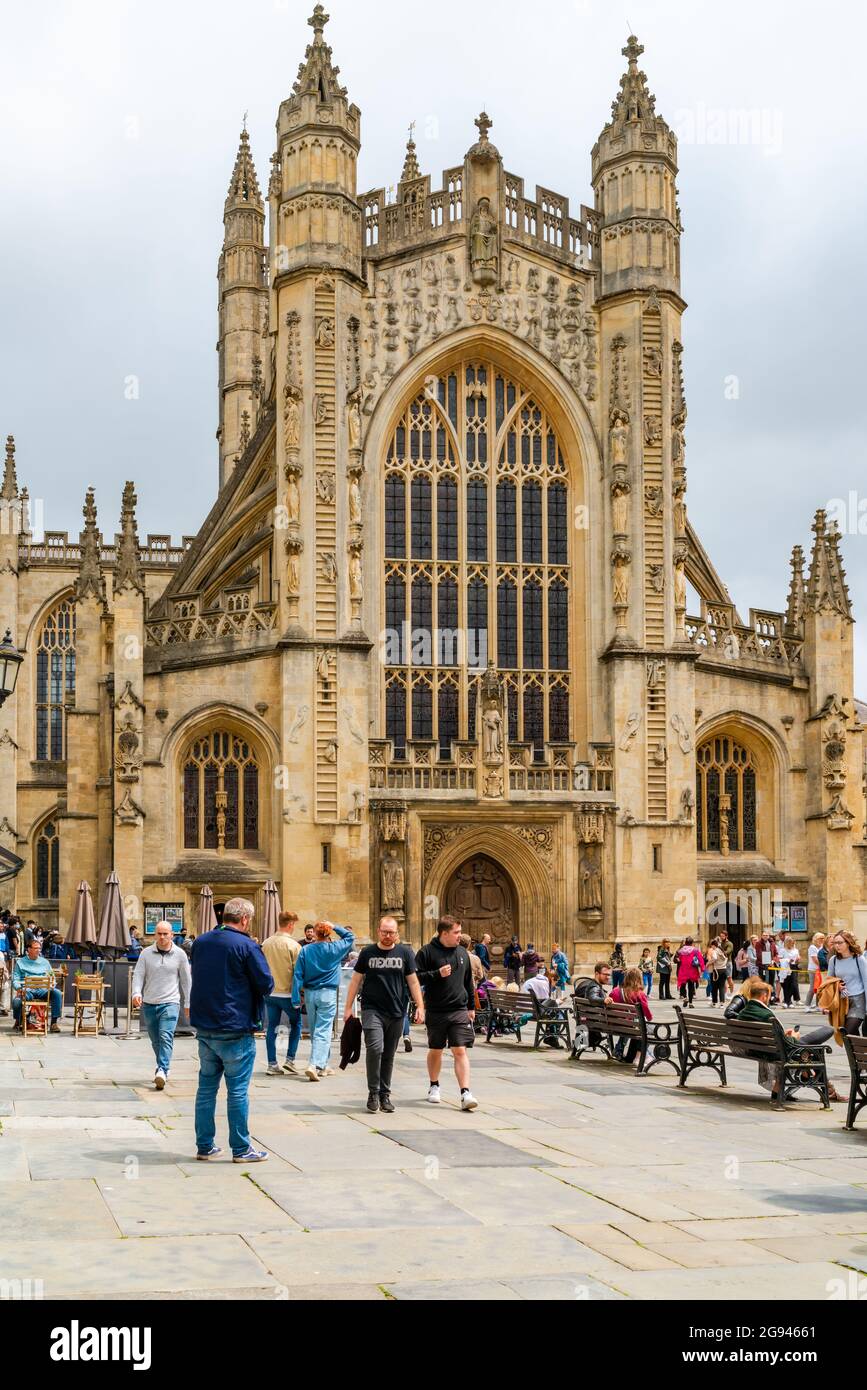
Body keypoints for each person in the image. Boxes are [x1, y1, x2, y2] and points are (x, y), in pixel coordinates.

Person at [189, 896, 273, 1163]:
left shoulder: (201, 942)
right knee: (237, 1091)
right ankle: (241, 1149)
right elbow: (266, 984)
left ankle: (204, 1145)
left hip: (206, 1026)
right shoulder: (247, 945)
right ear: (245, 919)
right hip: (235, 1026)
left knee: (206, 1088)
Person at [343, 915, 424, 1113]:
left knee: (388, 1054)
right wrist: (348, 1008)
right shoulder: (368, 953)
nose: (388, 936)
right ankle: (373, 1092)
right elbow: (355, 981)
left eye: (392, 932)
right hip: (372, 1010)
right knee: (375, 1048)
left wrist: (420, 1006)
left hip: (397, 1011)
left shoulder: (405, 953)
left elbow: (413, 981)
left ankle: (384, 1094)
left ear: (397, 933)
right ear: (378, 931)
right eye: (384, 932)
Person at [726, 975, 835, 1105]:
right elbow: (784, 1044)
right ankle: (824, 1087)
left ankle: (815, 1082)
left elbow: (772, 1037)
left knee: (810, 1048)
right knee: (822, 1037)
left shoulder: (744, 1012)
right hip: (778, 1050)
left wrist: (785, 1034)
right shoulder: (766, 1014)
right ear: (763, 997)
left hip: (760, 1048)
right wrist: (793, 1037)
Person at [415, 915, 478, 1111]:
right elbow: (414, 977)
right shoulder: (426, 952)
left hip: (459, 1010)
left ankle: (465, 1092)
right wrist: (436, 974)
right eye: (456, 932)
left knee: (460, 1050)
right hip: (436, 1009)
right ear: (444, 933)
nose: (460, 936)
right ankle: (434, 1085)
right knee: (436, 1049)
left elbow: (468, 981)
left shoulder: (462, 952)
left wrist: (470, 1006)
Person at [290, 919, 355, 1081]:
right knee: (323, 1031)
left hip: (311, 993)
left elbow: (298, 974)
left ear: (315, 934)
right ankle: (314, 1064)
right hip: (328, 993)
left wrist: (296, 997)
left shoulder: (306, 950)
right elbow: (350, 937)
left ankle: (324, 1065)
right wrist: (335, 926)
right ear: (328, 934)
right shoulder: (334, 948)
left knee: (315, 1031)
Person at [132, 919, 191, 1089]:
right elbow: (139, 975)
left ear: (172, 935)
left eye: (166, 934)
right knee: (155, 1040)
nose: (163, 937)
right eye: (159, 933)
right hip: (150, 1002)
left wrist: (188, 1002)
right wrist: (136, 992)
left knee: (166, 1036)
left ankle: (162, 1069)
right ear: (155, 934)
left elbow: (187, 981)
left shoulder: (180, 954)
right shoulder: (146, 953)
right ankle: (164, 1066)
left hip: (171, 1002)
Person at [261, 910, 302, 1076]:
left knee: (271, 1026)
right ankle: (290, 1060)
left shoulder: (266, 943)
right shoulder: (294, 945)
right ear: (291, 924)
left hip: (270, 992)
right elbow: (298, 972)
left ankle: (272, 1063)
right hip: (287, 992)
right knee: (296, 1024)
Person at [12, 940, 63, 1032]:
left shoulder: (45, 962)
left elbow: (52, 976)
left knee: (57, 993)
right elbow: (15, 979)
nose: (38, 950)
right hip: (27, 990)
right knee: (16, 1001)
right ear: (29, 949)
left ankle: (54, 1023)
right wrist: (19, 988)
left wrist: (52, 983)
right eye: (36, 948)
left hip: (43, 990)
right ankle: (19, 1021)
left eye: (39, 948)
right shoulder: (20, 962)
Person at [826, 931, 867, 1038]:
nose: (837, 946)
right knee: (850, 1035)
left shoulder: (859, 959)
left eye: (840, 942)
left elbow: (866, 982)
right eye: (835, 943)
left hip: (858, 1000)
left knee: (848, 1030)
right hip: (842, 1001)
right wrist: (837, 986)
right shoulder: (833, 960)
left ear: (848, 943)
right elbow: (829, 981)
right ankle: (860, 1054)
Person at [609, 967, 652, 1063]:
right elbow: (647, 1015)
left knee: (634, 1025)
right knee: (649, 1029)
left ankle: (624, 1053)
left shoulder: (615, 991)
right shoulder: (639, 994)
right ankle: (640, 1056)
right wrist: (649, 1018)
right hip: (630, 1026)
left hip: (613, 1025)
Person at [675, 937, 704, 1008]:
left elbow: (677, 959)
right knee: (691, 986)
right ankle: (690, 1003)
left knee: (682, 985)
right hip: (692, 970)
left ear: (685, 942)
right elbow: (701, 960)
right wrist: (702, 969)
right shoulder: (695, 950)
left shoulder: (680, 951)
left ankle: (685, 998)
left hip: (683, 970)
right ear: (692, 943)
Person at [777, 935, 801, 1008]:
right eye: (791, 943)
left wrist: (797, 960)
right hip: (785, 968)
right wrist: (787, 960)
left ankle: (787, 1001)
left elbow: (797, 960)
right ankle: (788, 1002)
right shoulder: (782, 950)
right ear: (787, 943)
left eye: (793, 943)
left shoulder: (796, 950)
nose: (792, 944)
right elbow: (779, 960)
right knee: (786, 985)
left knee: (793, 984)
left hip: (793, 967)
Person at [805, 932, 826, 1010]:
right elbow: (815, 959)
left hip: (820, 970)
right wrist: (822, 965)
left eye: (823, 938)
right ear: (816, 939)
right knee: (812, 988)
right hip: (813, 970)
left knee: (819, 988)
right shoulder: (812, 947)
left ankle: (818, 1005)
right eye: (821, 938)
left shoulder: (822, 947)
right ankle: (807, 1005)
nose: (822, 940)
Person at [706, 937, 728, 1006]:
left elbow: (714, 958)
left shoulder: (715, 951)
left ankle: (714, 1002)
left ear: (713, 945)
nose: (711, 947)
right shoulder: (722, 951)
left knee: (714, 987)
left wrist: (708, 963)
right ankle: (722, 1003)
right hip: (724, 970)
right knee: (721, 987)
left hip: (716, 971)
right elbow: (726, 959)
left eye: (712, 946)